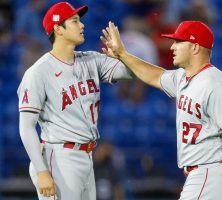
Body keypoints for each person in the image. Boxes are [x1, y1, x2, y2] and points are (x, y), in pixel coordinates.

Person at [101, 21, 222, 199]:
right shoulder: (182, 78)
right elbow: (155, 75)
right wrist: (123, 55)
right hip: (212, 174)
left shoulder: (216, 82)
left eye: (179, 42)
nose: (172, 46)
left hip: (210, 173)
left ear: (195, 47)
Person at [17, 2, 134, 200]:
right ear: (58, 29)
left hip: (87, 156)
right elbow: (26, 127)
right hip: (59, 156)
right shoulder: (38, 72)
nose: (82, 25)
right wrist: (41, 171)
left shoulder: (91, 60)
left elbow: (132, 72)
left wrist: (122, 55)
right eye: (74, 21)